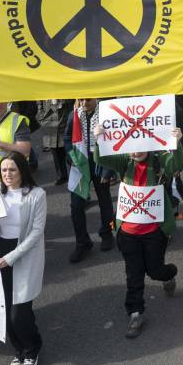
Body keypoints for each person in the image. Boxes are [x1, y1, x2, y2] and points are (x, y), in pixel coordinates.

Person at [96, 127, 183, 338]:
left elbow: (176, 165)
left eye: (139, 147)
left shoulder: (159, 159)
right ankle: (135, 313)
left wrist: (178, 143)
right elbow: (101, 159)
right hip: (128, 233)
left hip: (154, 231)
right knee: (133, 274)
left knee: (154, 270)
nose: (135, 152)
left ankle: (168, 274)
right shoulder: (124, 162)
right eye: (131, 148)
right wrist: (99, 139)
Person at [0, 152, 45, 365]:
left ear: (22, 171)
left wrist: (11, 257)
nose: (7, 174)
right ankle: (19, 350)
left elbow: (36, 232)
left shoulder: (37, 194)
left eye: (12, 169)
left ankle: (32, 348)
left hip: (24, 254)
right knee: (5, 309)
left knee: (20, 311)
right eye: (4, 170)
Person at [64, 98, 116, 263]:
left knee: (104, 200)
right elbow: (66, 138)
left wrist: (108, 169)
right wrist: (70, 157)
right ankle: (82, 242)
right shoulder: (74, 115)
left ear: (96, 97)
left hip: (99, 163)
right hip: (80, 164)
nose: (85, 102)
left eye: (88, 99)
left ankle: (107, 233)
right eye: (82, 99)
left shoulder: (106, 114)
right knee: (76, 206)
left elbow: (113, 141)